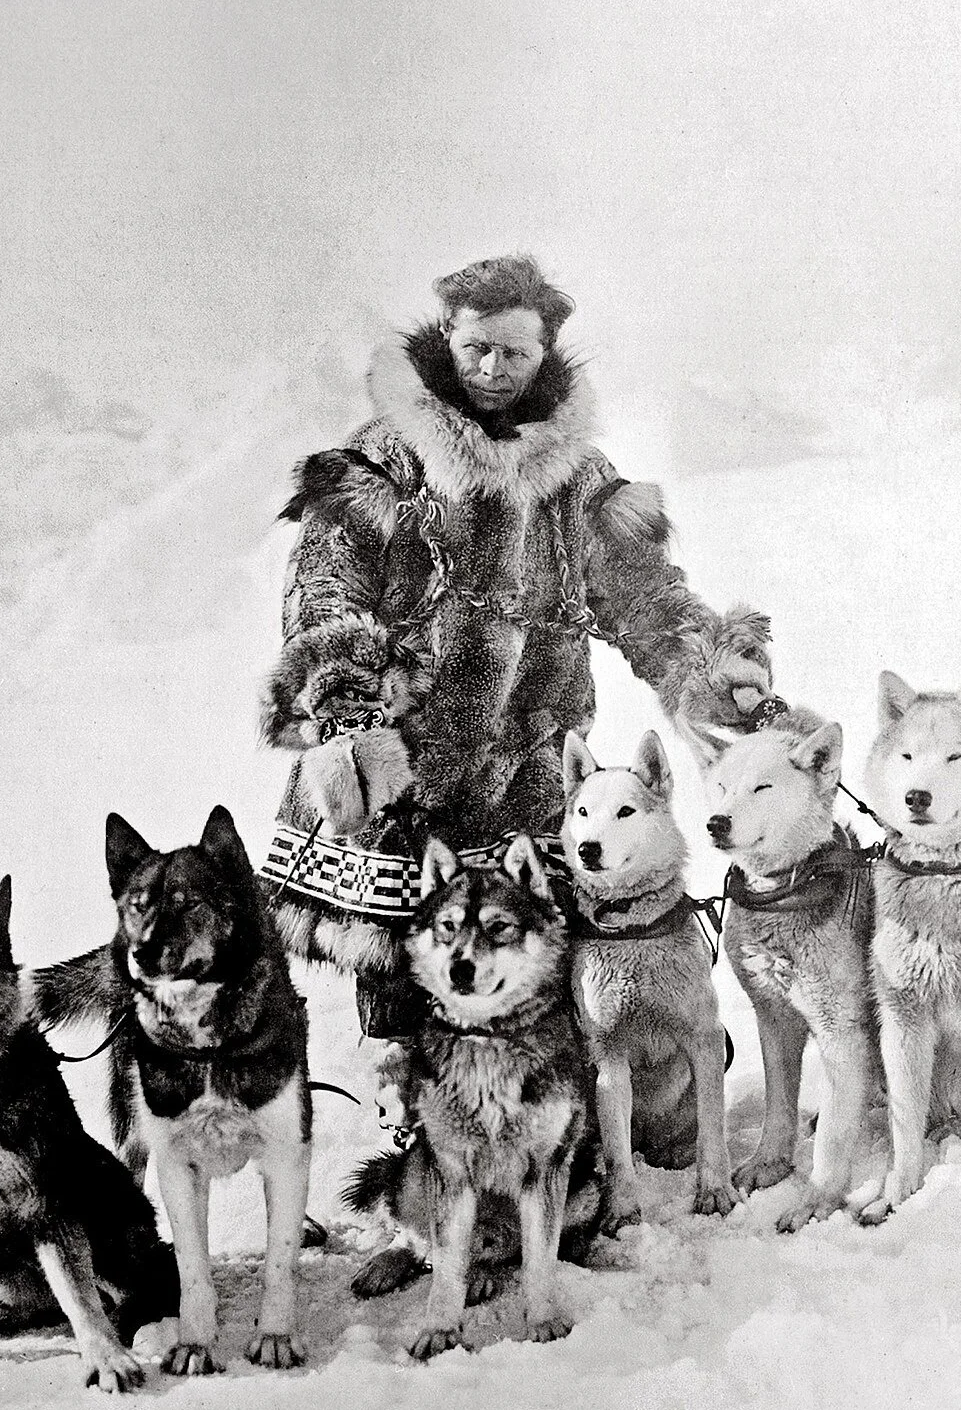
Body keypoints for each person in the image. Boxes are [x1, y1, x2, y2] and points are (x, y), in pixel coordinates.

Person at [258, 253, 773, 1049]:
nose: (494, 369)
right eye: (477, 350)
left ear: (546, 355)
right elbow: (324, 595)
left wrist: (710, 671)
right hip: (405, 770)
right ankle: (420, 1128)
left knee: (548, 974)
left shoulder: (579, 477)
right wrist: (346, 708)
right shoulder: (380, 461)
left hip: (529, 768)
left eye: (515, 353)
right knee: (416, 985)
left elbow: (645, 595)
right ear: (447, 340)